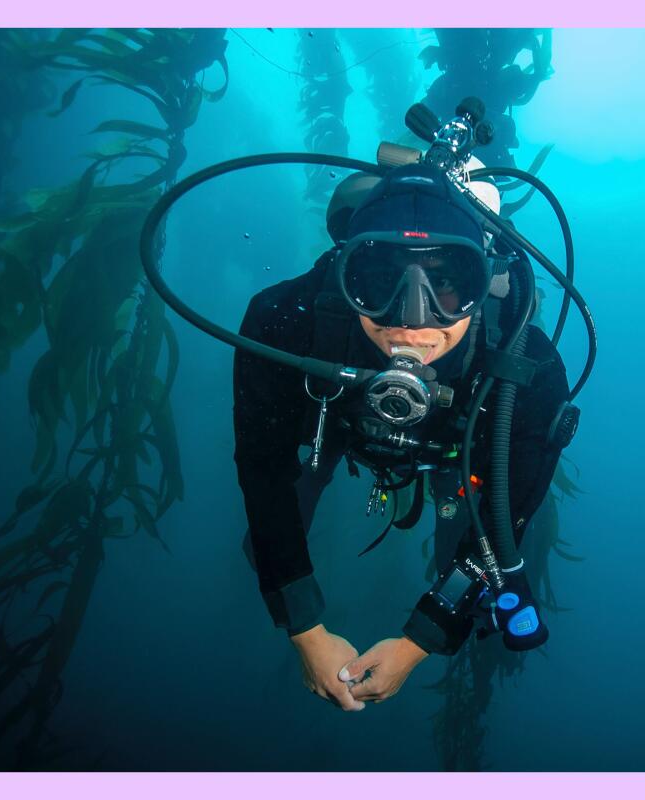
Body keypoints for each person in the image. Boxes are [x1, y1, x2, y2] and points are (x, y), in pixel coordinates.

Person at [233, 163, 571, 712]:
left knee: (469, 554)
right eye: (379, 278)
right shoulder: (284, 323)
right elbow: (261, 465)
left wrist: (420, 642)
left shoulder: (525, 372)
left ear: (484, 280)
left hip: (456, 455)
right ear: (346, 273)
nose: (412, 322)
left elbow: (511, 514)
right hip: (334, 424)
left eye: (447, 282)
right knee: (269, 542)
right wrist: (304, 628)